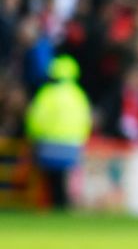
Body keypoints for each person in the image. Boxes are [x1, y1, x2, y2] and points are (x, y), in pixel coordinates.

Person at [25, 55, 93, 211]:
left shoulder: (46, 93)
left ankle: (50, 208)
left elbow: (36, 119)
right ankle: (63, 207)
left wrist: (33, 137)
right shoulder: (78, 95)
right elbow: (86, 121)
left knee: (49, 183)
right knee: (64, 183)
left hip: (47, 146)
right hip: (71, 147)